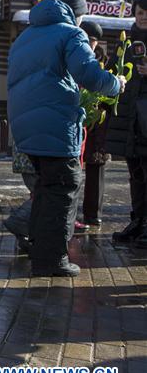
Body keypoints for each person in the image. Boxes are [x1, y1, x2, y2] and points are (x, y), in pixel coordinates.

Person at [8, 0, 123, 277]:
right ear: (73, 10)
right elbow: (90, 75)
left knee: (45, 190)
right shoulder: (71, 34)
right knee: (62, 190)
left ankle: (38, 249)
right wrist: (116, 83)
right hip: (56, 127)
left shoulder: (25, 36)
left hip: (26, 129)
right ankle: (53, 259)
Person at [105, 0, 147, 248]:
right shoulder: (126, 42)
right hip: (130, 121)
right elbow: (111, 71)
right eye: (140, 12)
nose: (143, 17)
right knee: (135, 175)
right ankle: (138, 221)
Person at [79, 21, 108, 230]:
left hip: (98, 124)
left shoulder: (104, 62)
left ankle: (93, 214)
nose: (90, 44)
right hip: (77, 120)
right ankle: (72, 213)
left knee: (96, 167)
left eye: (93, 41)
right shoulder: (74, 57)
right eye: (87, 39)